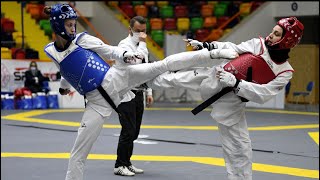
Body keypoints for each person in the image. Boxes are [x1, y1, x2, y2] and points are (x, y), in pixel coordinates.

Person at [42, 4, 237, 180]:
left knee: (163, 66)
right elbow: (66, 68)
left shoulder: (82, 39)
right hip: (97, 103)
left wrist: (125, 55)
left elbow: (109, 50)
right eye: (69, 25)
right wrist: (64, 87)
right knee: (78, 152)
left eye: (74, 24)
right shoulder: (50, 50)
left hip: (116, 79)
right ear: (58, 26)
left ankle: (213, 54)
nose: (73, 28)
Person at [148, 17, 304, 180]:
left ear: (287, 40)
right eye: (272, 31)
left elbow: (263, 94)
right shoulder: (259, 44)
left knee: (240, 148)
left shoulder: (284, 72)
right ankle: (144, 81)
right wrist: (208, 45)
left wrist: (237, 84)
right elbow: (233, 48)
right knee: (176, 78)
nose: (270, 35)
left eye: (277, 34)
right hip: (216, 75)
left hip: (232, 101)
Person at [113, 16, 153, 176]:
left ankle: (127, 162)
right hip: (125, 92)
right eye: (138, 31)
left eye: (144, 31)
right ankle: (119, 165)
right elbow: (136, 63)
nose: (141, 34)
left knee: (135, 131)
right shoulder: (124, 45)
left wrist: (149, 91)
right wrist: (143, 43)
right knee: (128, 130)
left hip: (138, 93)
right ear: (130, 30)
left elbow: (147, 69)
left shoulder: (143, 46)